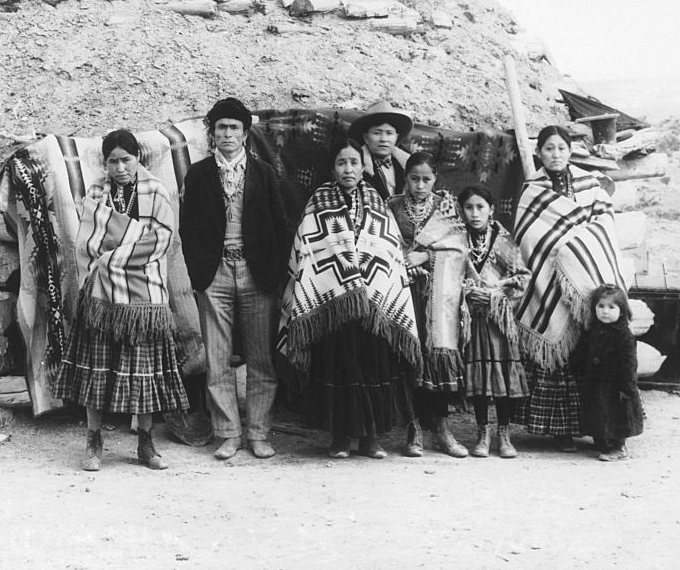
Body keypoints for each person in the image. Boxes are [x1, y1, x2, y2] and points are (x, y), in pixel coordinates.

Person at [53, 129, 189, 471]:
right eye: (113, 161)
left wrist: (115, 256)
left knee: (141, 371)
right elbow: (90, 238)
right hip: (102, 294)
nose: (120, 167)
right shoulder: (97, 191)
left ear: (137, 158)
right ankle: (94, 441)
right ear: (105, 163)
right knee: (97, 368)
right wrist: (109, 254)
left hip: (144, 294)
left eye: (126, 160)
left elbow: (161, 239)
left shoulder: (156, 191)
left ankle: (145, 443)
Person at [278, 140, 421, 458]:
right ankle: (340, 438)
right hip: (332, 305)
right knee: (338, 368)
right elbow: (307, 250)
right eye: (342, 163)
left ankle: (371, 438)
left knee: (373, 367)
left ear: (363, 167)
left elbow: (389, 248)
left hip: (373, 305)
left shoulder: (375, 200)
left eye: (354, 163)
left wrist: (370, 287)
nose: (348, 169)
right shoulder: (319, 201)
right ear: (333, 169)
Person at [179, 97, 289, 460]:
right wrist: (200, 274)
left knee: (261, 359)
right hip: (216, 273)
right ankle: (228, 432)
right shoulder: (198, 174)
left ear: (245, 134)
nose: (227, 134)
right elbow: (189, 227)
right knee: (218, 357)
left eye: (234, 128)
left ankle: (258, 433)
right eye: (221, 128)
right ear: (212, 134)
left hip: (257, 273)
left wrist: (273, 273)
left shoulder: (264, 173)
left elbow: (279, 225)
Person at [514, 125, 627, 451]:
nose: (555, 154)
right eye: (548, 149)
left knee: (592, 357)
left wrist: (574, 250)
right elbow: (528, 237)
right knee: (558, 363)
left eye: (561, 148)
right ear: (540, 153)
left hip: (587, 284)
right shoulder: (532, 190)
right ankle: (561, 431)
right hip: (548, 281)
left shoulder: (590, 184)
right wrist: (561, 249)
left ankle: (602, 429)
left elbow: (604, 225)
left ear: (570, 150)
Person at [387, 150, 468, 458]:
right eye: (414, 179)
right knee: (410, 356)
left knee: (436, 357)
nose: (420, 185)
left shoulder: (445, 207)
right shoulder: (391, 206)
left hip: (437, 294)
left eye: (426, 179)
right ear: (405, 178)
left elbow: (459, 246)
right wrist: (404, 262)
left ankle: (442, 430)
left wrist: (428, 255)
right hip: (402, 290)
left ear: (436, 179)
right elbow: (382, 242)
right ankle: (413, 429)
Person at [458, 184, 531, 458]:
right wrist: (466, 292)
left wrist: (499, 291)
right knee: (479, 377)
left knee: (502, 377)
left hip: (499, 321)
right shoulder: (457, 241)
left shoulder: (503, 240)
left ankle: (504, 433)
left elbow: (522, 276)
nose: (475, 213)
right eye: (469, 207)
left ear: (491, 210)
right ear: (461, 210)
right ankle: (482, 433)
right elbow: (446, 276)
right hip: (473, 320)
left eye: (480, 207)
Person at [576, 284, 644, 461]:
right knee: (597, 411)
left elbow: (629, 363)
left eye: (611, 307)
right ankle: (601, 440)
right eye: (601, 306)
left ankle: (619, 447)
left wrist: (627, 387)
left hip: (616, 384)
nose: (605, 311)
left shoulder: (623, 335)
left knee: (616, 414)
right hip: (596, 381)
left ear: (621, 311)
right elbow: (583, 352)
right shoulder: (593, 330)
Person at [348, 100, 413, 199]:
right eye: (377, 133)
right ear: (366, 137)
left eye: (389, 133)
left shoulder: (407, 165)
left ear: (396, 137)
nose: (384, 139)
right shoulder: (355, 167)